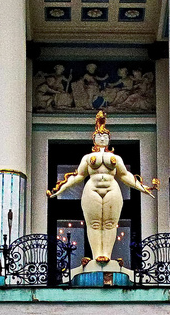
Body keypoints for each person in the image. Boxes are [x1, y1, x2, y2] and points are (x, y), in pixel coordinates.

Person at [47, 111, 157, 265]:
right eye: (99, 136)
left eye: (105, 136)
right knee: (94, 223)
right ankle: (96, 255)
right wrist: (60, 189)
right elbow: (78, 176)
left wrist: (143, 188)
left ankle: (106, 254)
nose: (102, 138)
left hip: (112, 189)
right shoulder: (87, 158)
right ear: (94, 139)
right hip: (92, 189)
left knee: (111, 223)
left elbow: (125, 176)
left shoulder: (116, 158)